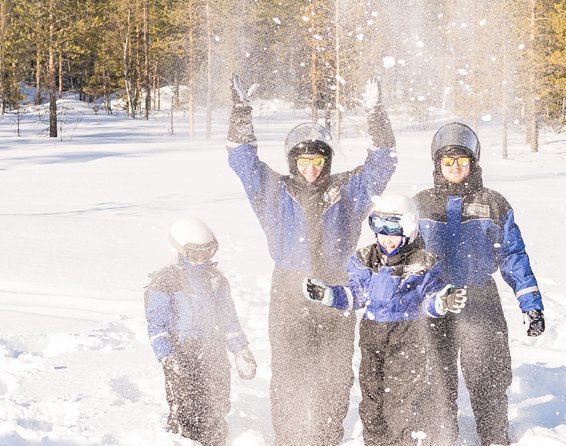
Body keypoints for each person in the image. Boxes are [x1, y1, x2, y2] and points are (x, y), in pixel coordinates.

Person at [225, 74, 397, 446]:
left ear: (328, 159)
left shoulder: (346, 190)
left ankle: (326, 437)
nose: (312, 169)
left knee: (335, 374)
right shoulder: (274, 190)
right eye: (304, 161)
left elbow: (383, 164)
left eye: (318, 160)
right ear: (292, 161)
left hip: (337, 287)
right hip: (289, 289)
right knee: (288, 372)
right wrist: (241, 112)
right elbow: (241, 159)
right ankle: (287, 438)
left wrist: (375, 115)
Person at [413, 122, 546, 446]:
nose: (455, 167)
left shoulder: (493, 203)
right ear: (437, 165)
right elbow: (399, 254)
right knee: (434, 377)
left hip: (479, 296)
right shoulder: (420, 203)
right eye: (448, 162)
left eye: (462, 161)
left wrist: (531, 304)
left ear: (473, 162)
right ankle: (442, 437)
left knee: (488, 374)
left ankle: (494, 436)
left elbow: (513, 256)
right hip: (433, 301)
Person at [302, 193, 468, 446]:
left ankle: (405, 441)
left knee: (403, 398)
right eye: (379, 229)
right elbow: (355, 294)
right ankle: (376, 442)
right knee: (373, 397)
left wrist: (441, 302)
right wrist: (328, 295)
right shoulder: (365, 259)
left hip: (408, 335)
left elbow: (428, 300)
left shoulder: (422, 263)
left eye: (393, 230)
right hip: (372, 335)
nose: (386, 238)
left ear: (410, 229)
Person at [144, 217, 257, 446]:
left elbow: (229, 321)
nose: (203, 259)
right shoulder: (165, 283)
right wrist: (167, 355)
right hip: (180, 352)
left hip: (211, 348)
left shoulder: (215, 281)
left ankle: (217, 440)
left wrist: (240, 350)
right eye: (195, 254)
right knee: (186, 406)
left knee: (217, 403)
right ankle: (182, 439)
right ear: (178, 252)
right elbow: (157, 325)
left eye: (208, 252)